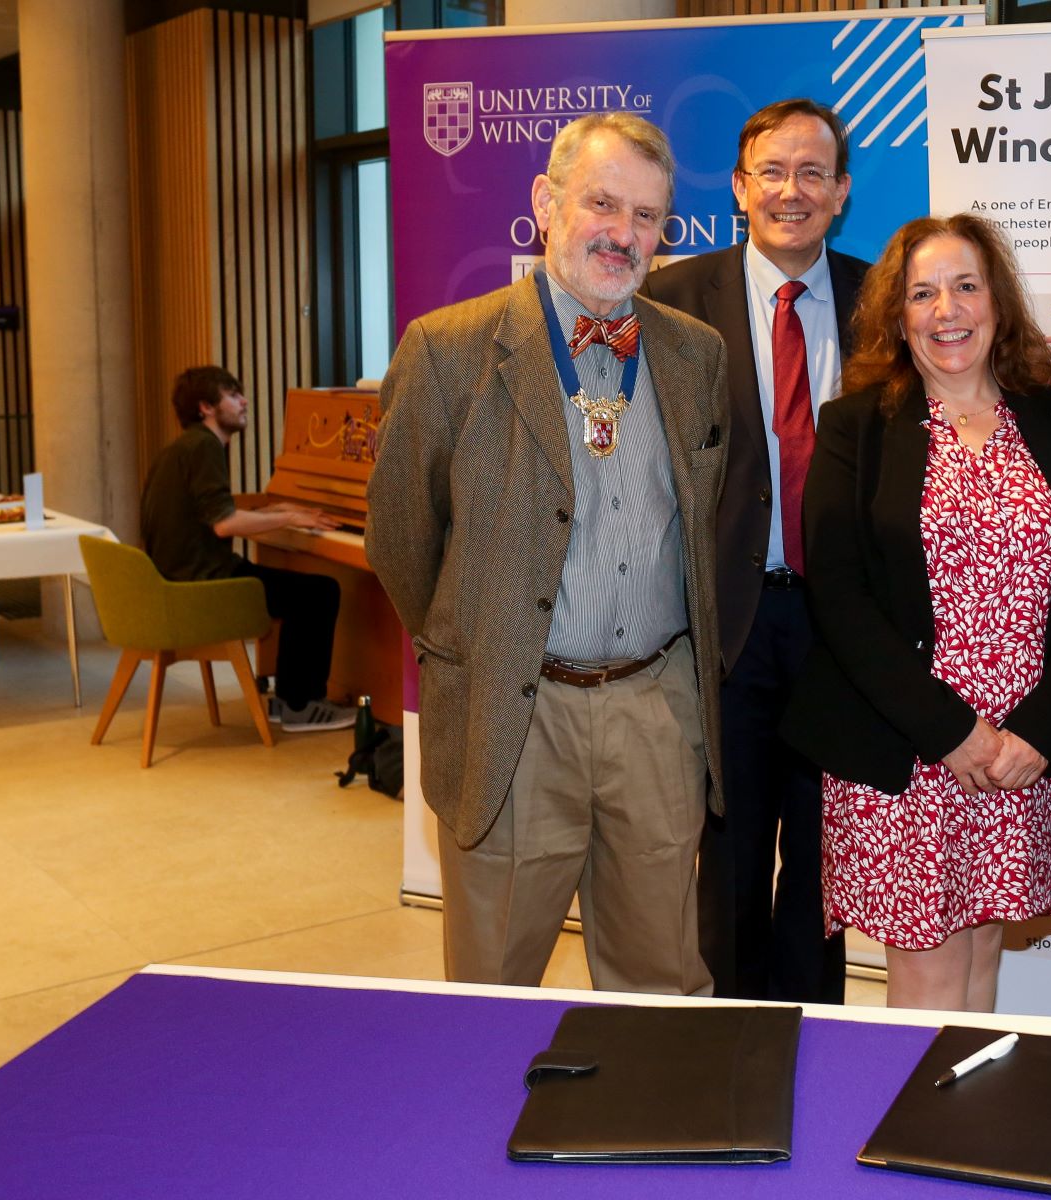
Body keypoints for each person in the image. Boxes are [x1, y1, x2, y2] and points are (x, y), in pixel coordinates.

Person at [365, 113, 729, 995]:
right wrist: (478, 642)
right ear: (545, 203)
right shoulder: (447, 350)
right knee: (492, 980)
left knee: (661, 982)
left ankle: (647, 1130)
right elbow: (402, 539)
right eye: (602, 203)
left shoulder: (695, 354)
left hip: (655, 706)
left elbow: (703, 527)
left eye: (647, 217)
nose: (623, 233)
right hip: (512, 714)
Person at [782, 213, 1051, 1012]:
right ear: (898, 317)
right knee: (927, 970)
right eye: (923, 293)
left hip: (1021, 748)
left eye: (966, 287)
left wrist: (1038, 730)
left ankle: (965, 1125)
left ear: (996, 302)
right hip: (911, 746)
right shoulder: (856, 427)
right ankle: (918, 1130)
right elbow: (838, 592)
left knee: (984, 948)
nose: (947, 310)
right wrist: (950, 732)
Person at [639, 99, 867, 1004]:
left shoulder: (879, 299)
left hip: (841, 628)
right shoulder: (670, 300)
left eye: (813, 172)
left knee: (822, 861)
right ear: (739, 188)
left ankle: (817, 1043)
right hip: (722, 625)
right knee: (727, 854)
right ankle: (724, 1053)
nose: (792, 190)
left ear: (842, 192)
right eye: (773, 171)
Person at [139, 365, 351, 732]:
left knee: (304, 590)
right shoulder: (205, 446)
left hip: (177, 583)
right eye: (233, 395)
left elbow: (212, 514)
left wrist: (277, 510)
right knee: (319, 593)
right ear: (206, 407)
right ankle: (300, 706)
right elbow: (225, 523)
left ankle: (286, 702)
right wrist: (288, 519)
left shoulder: (184, 447)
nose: (244, 401)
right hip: (205, 587)